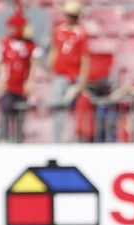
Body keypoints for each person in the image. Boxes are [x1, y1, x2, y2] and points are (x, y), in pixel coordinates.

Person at [0, 12, 41, 142]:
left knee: (20, 113)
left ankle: (18, 139)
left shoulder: (30, 45)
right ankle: (3, 137)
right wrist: (0, 80)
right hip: (8, 86)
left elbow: (34, 64)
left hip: (22, 86)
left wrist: (30, 82)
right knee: (6, 109)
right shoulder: (5, 43)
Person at [48, 0, 89, 143]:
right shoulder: (58, 30)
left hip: (74, 76)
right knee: (58, 108)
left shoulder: (81, 33)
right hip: (60, 75)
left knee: (74, 109)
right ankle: (57, 140)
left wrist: (82, 78)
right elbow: (54, 50)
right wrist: (51, 69)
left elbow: (85, 57)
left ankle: (74, 139)